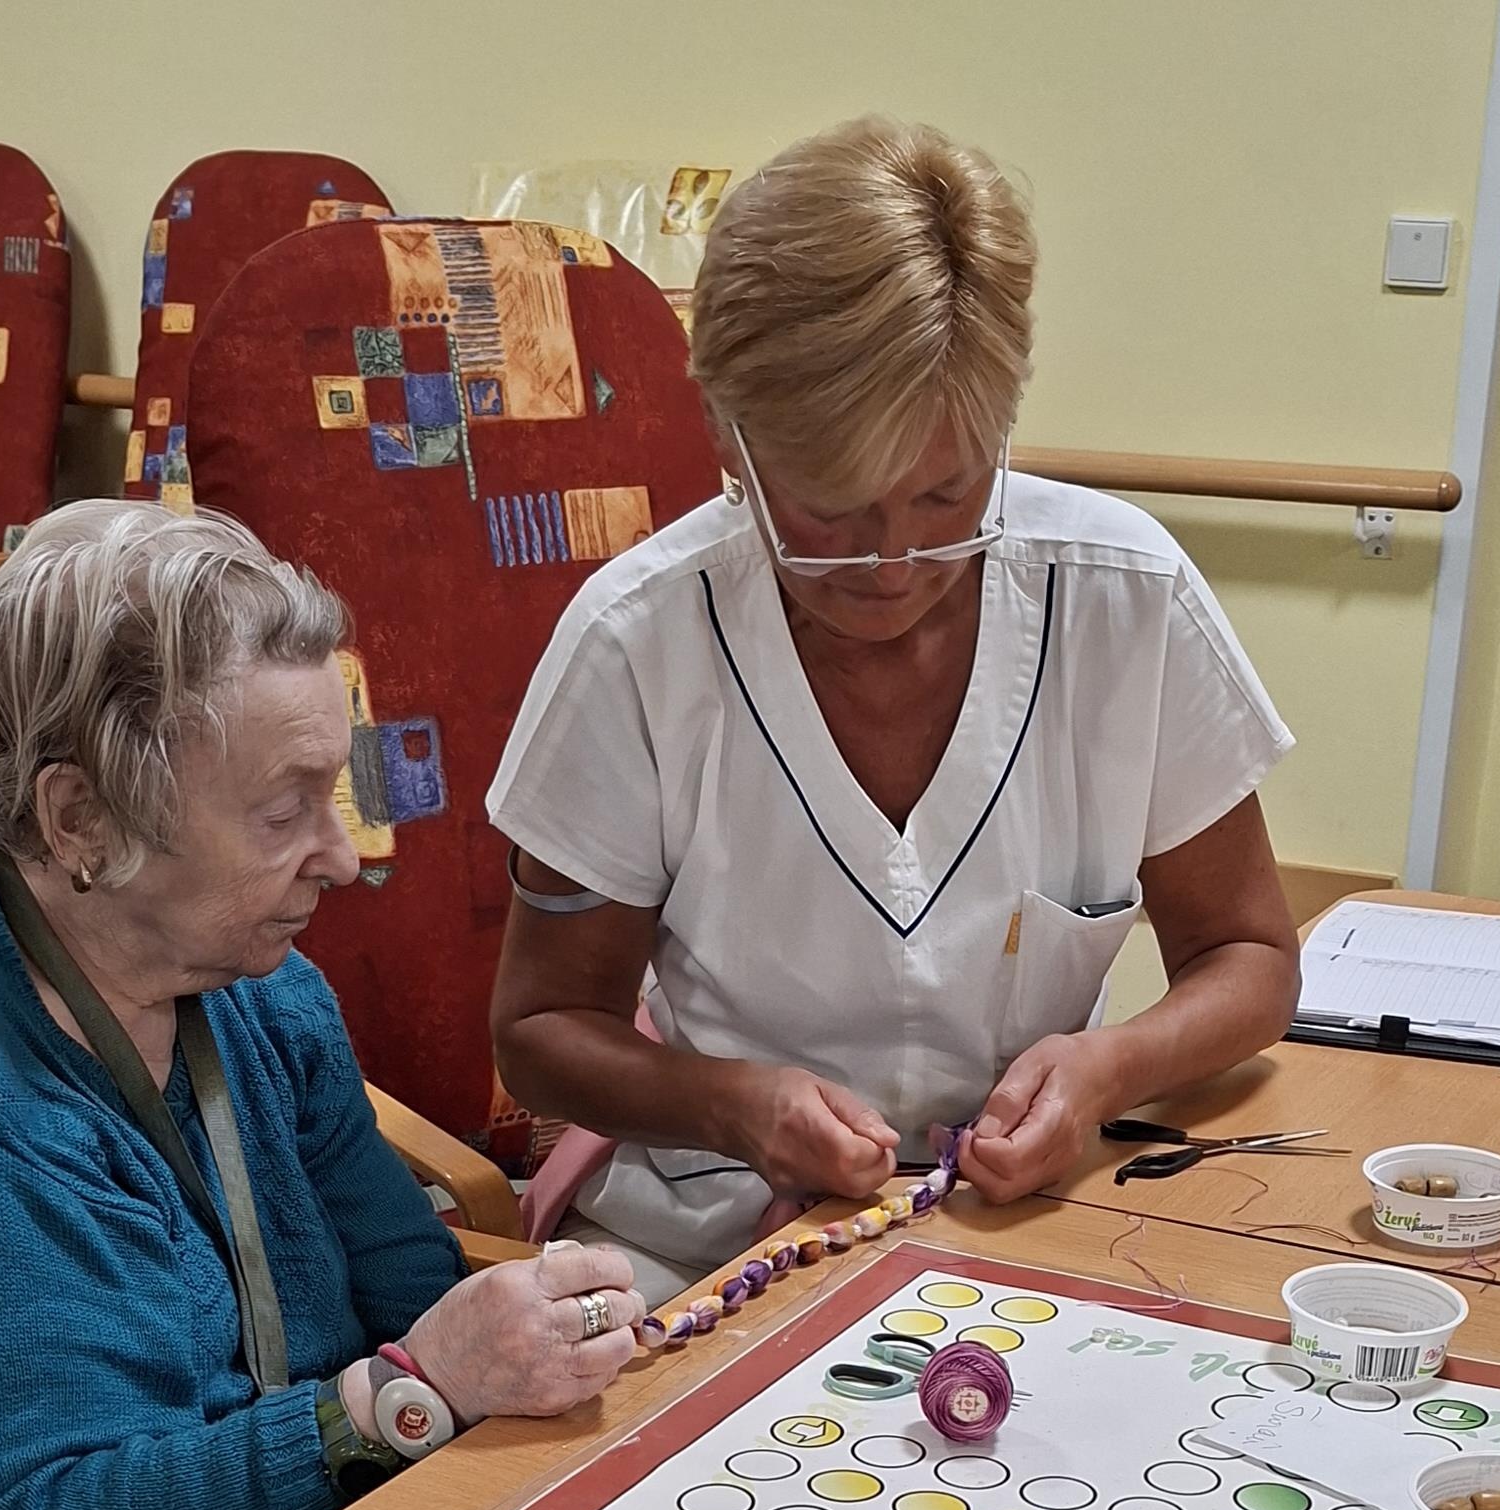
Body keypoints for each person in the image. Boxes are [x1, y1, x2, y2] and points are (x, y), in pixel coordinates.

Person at [0, 501, 640, 1510]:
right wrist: (399, 1400)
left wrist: (517, 1344)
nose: (340, 857)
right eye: (286, 811)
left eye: (332, 793)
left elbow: (402, 1277)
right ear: (80, 818)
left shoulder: (237, 967)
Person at [487, 116, 1301, 1302]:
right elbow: (541, 1029)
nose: (891, 560)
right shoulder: (636, 644)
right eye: (830, 507)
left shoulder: (1120, 596)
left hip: (1021, 1224)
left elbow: (1249, 956)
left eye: (943, 493)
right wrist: (732, 1102)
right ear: (726, 437)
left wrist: (1104, 1068)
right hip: (712, 1243)